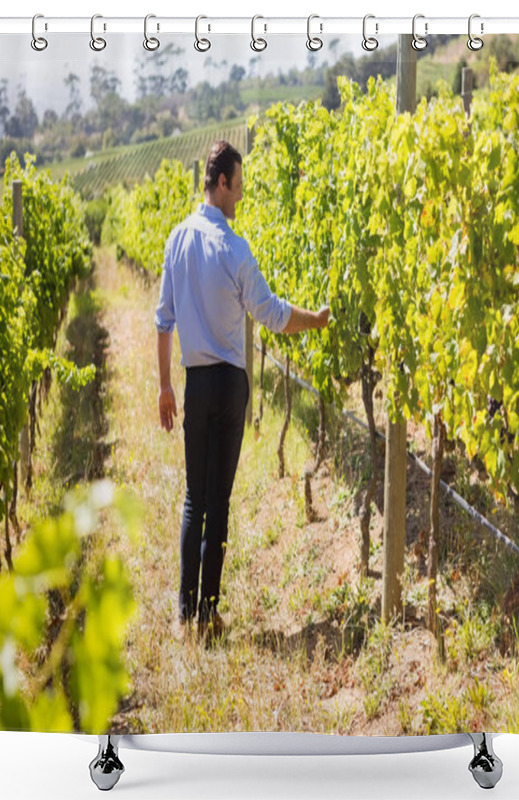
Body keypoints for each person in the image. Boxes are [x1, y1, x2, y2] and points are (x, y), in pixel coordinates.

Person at [154, 140, 329, 646]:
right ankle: (208, 615)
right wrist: (314, 321)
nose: (243, 193)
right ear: (222, 181)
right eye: (240, 183)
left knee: (194, 499)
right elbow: (272, 315)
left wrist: (165, 385)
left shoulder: (177, 240)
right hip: (230, 384)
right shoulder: (234, 248)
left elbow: (163, 320)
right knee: (219, 502)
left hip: (193, 383)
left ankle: (185, 615)